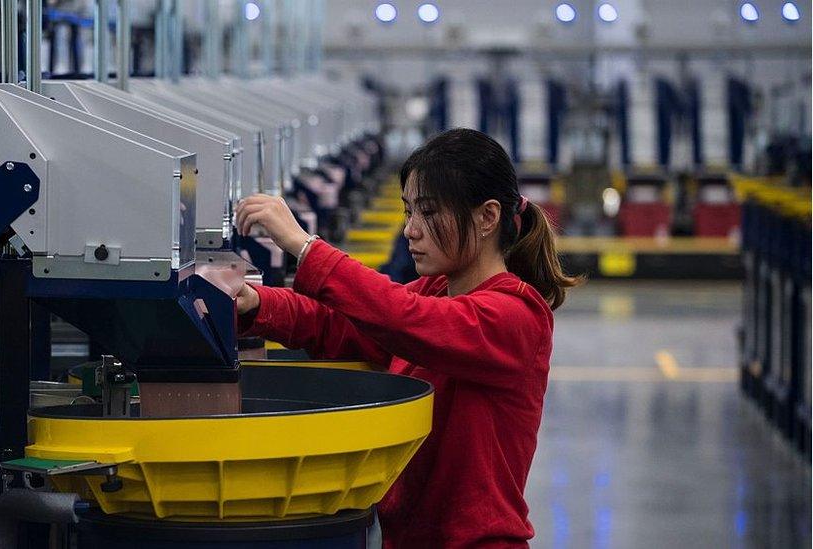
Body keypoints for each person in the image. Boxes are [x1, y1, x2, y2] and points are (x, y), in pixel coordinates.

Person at [232, 128, 580, 548]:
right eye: (408, 211)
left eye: (429, 212)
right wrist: (256, 303)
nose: (411, 230)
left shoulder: (516, 316)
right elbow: (339, 324)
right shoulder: (436, 292)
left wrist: (304, 247)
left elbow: (401, 317)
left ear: (487, 217)